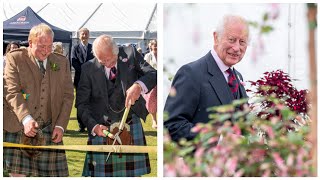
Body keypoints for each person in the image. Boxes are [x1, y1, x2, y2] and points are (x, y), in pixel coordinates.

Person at [76, 35, 157, 177]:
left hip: (130, 123)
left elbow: (152, 74)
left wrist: (139, 85)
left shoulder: (130, 53)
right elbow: (82, 104)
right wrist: (93, 126)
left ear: (116, 51)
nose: (107, 64)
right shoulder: (88, 68)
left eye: (110, 59)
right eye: (102, 61)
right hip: (102, 127)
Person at [3, 23, 74, 177]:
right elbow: (11, 91)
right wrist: (26, 119)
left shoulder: (61, 62)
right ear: (30, 43)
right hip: (18, 126)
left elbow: (68, 96)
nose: (46, 51)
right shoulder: (15, 58)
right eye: (41, 46)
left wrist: (61, 126)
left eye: (50, 46)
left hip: (50, 126)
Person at [164, 15, 249, 142]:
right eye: (231, 40)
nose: (237, 48)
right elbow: (172, 126)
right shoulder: (191, 73)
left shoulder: (237, 76)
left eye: (242, 42)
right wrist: (219, 140)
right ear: (216, 37)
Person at [71, 28, 94, 132]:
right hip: (79, 79)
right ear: (79, 36)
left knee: (91, 101)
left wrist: (89, 71)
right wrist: (84, 70)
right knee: (80, 101)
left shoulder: (93, 47)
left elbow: (95, 60)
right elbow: (73, 61)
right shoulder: (75, 48)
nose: (84, 36)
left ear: (89, 35)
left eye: (86, 34)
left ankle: (91, 123)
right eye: (82, 34)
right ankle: (81, 125)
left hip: (92, 79)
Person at [144, 39, 157, 128]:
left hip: (160, 81)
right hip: (152, 81)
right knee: (151, 101)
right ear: (151, 46)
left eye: (157, 45)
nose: (156, 47)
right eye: (155, 45)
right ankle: (154, 120)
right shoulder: (148, 56)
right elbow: (144, 68)